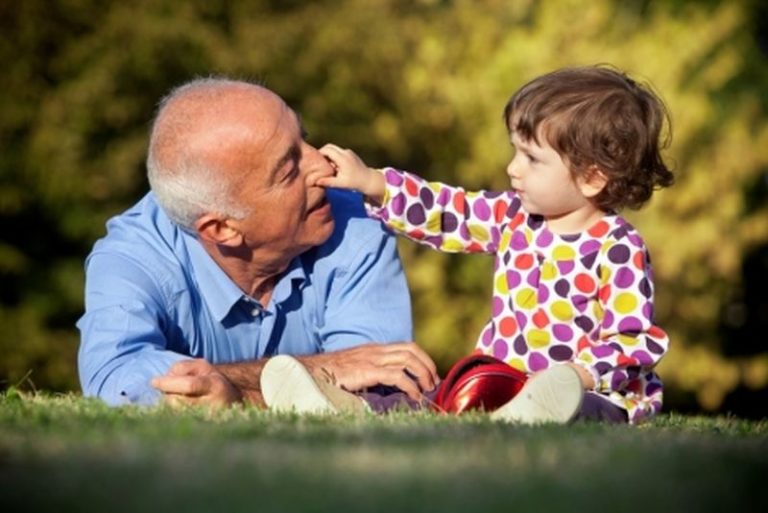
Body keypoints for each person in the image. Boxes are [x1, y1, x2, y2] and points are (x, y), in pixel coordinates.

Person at [274, 65, 672, 424]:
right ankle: (343, 404)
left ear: (592, 178)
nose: (512, 169)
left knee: (587, 410)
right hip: (499, 383)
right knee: (430, 395)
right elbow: (450, 212)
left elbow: (631, 341)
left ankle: (546, 410)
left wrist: (577, 376)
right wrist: (373, 182)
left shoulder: (618, 247)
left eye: (532, 159)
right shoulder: (515, 217)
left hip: (590, 392)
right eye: (515, 151)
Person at [77, 77, 439, 408]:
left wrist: (235, 391)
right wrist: (317, 371)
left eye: (304, 137)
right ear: (221, 229)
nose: (325, 166)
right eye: (288, 170)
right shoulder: (133, 257)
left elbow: (380, 389)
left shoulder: (356, 221)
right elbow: (117, 381)